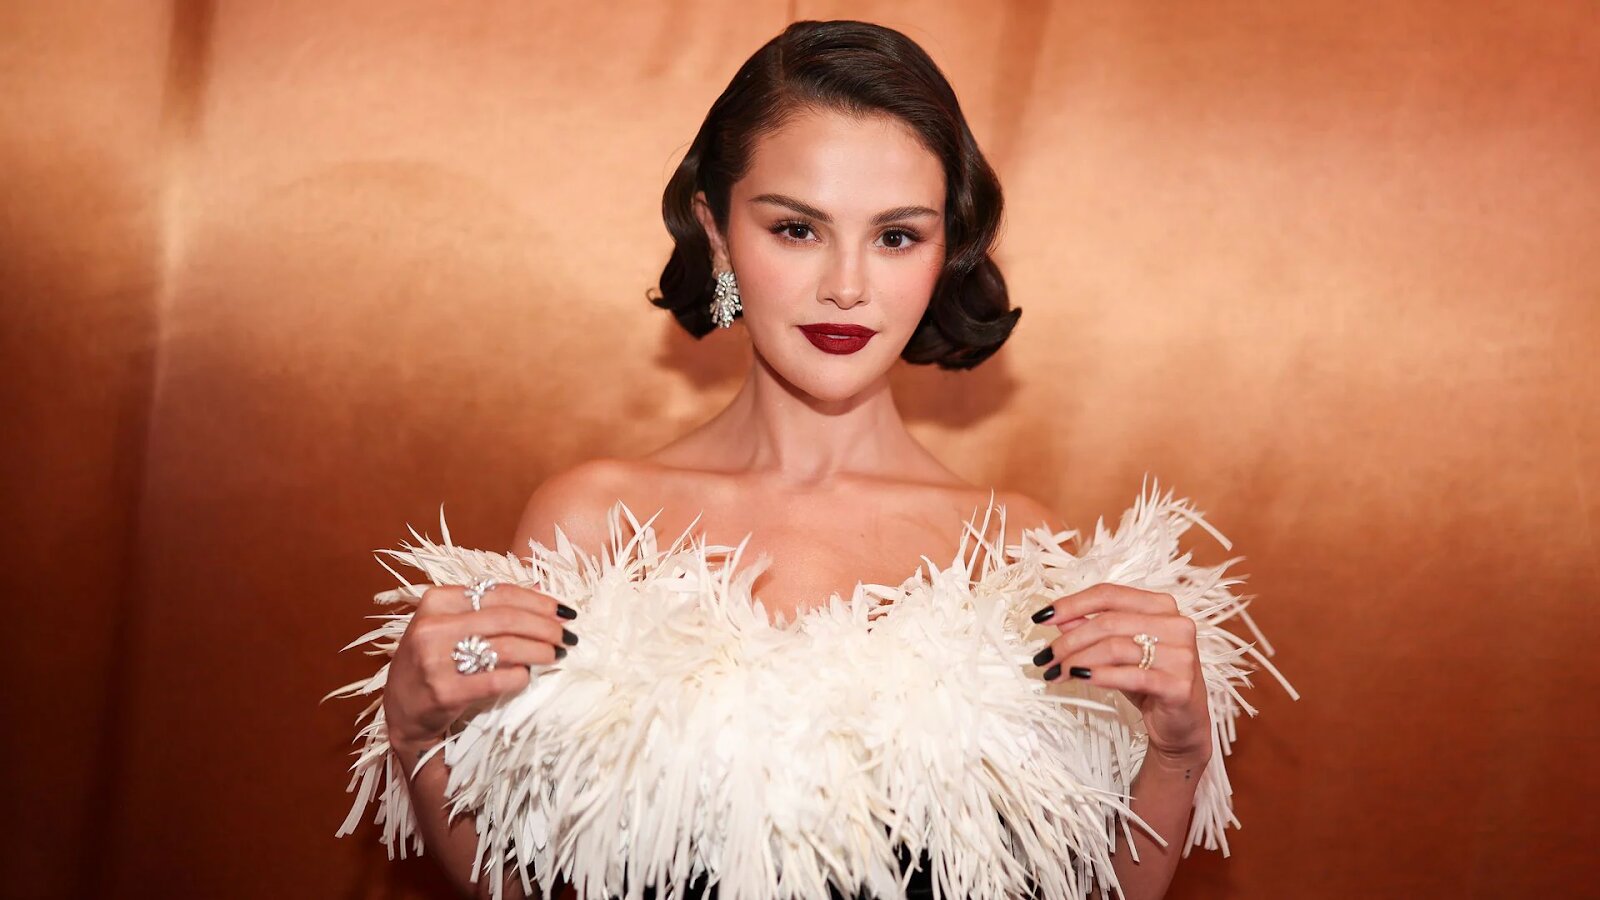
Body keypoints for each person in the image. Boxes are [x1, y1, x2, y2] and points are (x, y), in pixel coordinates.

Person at [372, 19, 1220, 900]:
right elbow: (521, 881)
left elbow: (1081, 886)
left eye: (896, 236)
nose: (846, 286)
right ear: (717, 231)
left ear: (944, 253)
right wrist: (418, 740)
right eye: (797, 229)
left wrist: (1176, 756)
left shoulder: (1016, 550)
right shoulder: (594, 523)